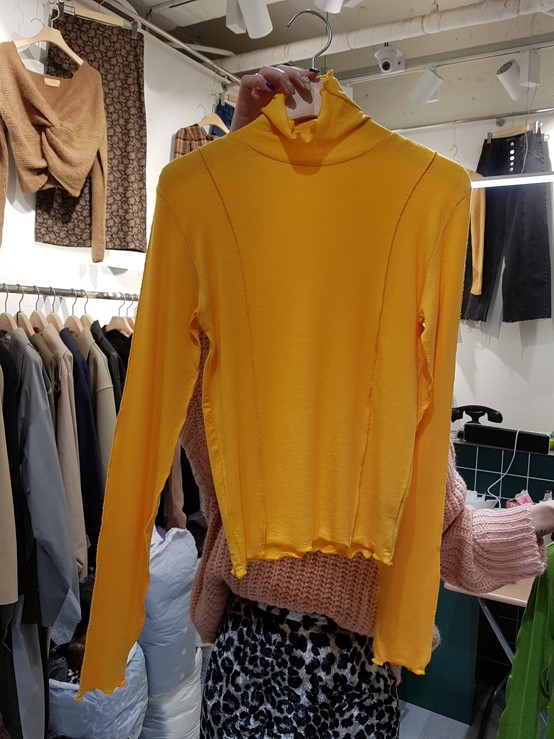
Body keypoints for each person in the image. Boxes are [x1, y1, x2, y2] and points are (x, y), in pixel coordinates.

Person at [186, 65, 554, 739]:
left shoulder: (241, 362)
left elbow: (192, 390)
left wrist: (234, 166)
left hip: (259, 651)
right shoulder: (391, 374)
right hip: (337, 667)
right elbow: (452, 543)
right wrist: (234, 165)